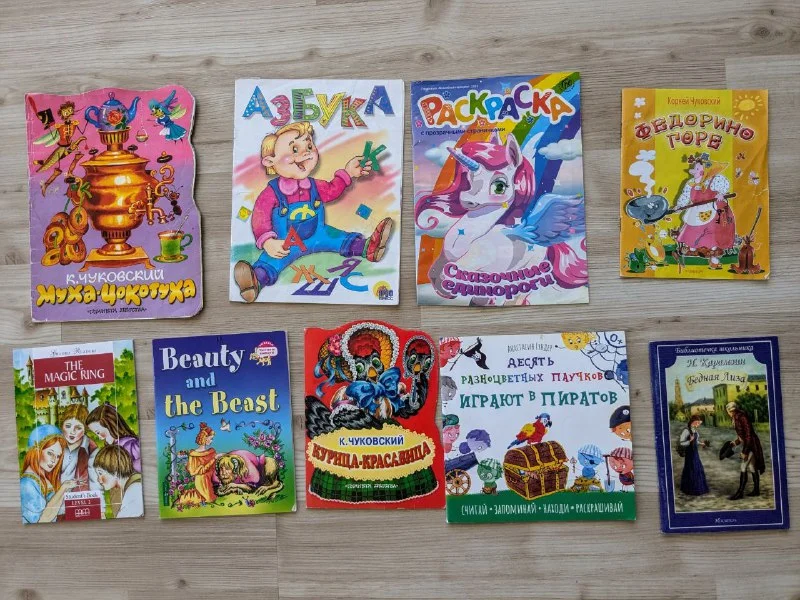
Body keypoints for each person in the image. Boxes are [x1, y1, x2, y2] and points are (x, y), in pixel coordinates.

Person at [233, 121, 392, 302]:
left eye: (309, 146)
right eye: (294, 149)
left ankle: (367, 248)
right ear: (270, 161)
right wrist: (268, 241)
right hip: (287, 243)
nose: (306, 153)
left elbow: (332, 190)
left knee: (340, 238)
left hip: (319, 234)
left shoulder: (314, 185)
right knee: (271, 261)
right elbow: (260, 217)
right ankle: (255, 281)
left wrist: (348, 173)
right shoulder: (271, 192)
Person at [674, 152, 734, 270]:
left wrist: (721, 194)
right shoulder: (691, 183)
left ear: (705, 171)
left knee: (708, 230)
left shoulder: (712, 181)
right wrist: (679, 206)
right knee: (692, 229)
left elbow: (724, 187)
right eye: (695, 168)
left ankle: (712, 252)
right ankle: (692, 248)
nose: (694, 171)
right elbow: (685, 196)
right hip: (695, 210)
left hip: (710, 209)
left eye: (697, 169)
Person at [19, 424, 77, 523]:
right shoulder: (27, 483)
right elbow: (42, 520)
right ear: (36, 451)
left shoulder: (43, 478)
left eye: (58, 456)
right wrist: (62, 489)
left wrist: (65, 488)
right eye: (50, 453)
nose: (54, 460)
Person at [726, 401, 765, 500]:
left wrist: (745, 452)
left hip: (751, 445)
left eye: (728, 411)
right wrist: (736, 442)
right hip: (749, 444)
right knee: (752, 467)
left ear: (730, 410)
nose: (728, 413)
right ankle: (756, 490)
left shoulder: (741, 417)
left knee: (743, 466)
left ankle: (740, 493)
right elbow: (742, 435)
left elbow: (748, 435)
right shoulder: (736, 418)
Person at [86, 402, 141, 473]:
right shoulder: (111, 446)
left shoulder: (130, 444)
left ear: (109, 425)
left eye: (98, 432)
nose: (100, 437)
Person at [92, 444, 143, 518]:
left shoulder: (135, 489)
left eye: (100, 473)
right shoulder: (129, 487)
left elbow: (123, 521)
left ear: (115, 470)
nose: (99, 480)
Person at [59, 404, 99, 493]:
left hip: (80, 497)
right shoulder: (54, 445)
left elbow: (95, 483)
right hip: (55, 497)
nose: (72, 432)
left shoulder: (91, 449)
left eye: (78, 428)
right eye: (68, 426)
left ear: (85, 429)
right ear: (62, 426)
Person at [178, 422, 217, 505]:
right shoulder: (194, 455)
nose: (212, 441)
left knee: (210, 498)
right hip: (201, 479)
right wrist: (214, 459)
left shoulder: (211, 452)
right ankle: (184, 497)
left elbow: (213, 467)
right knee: (208, 499)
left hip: (209, 478)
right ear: (205, 439)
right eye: (211, 438)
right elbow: (196, 471)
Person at [678, 415, 709, 496]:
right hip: (689, 453)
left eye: (699, 423)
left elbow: (695, 441)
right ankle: (690, 489)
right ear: (694, 421)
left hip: (695, 453)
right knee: (691, 468)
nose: (698, 425)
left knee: (697, 467)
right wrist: (689, 441)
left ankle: (699, 487)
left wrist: (701, 443)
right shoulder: (686, 430)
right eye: (698, 423)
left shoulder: (694, 430)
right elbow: (681, 443)